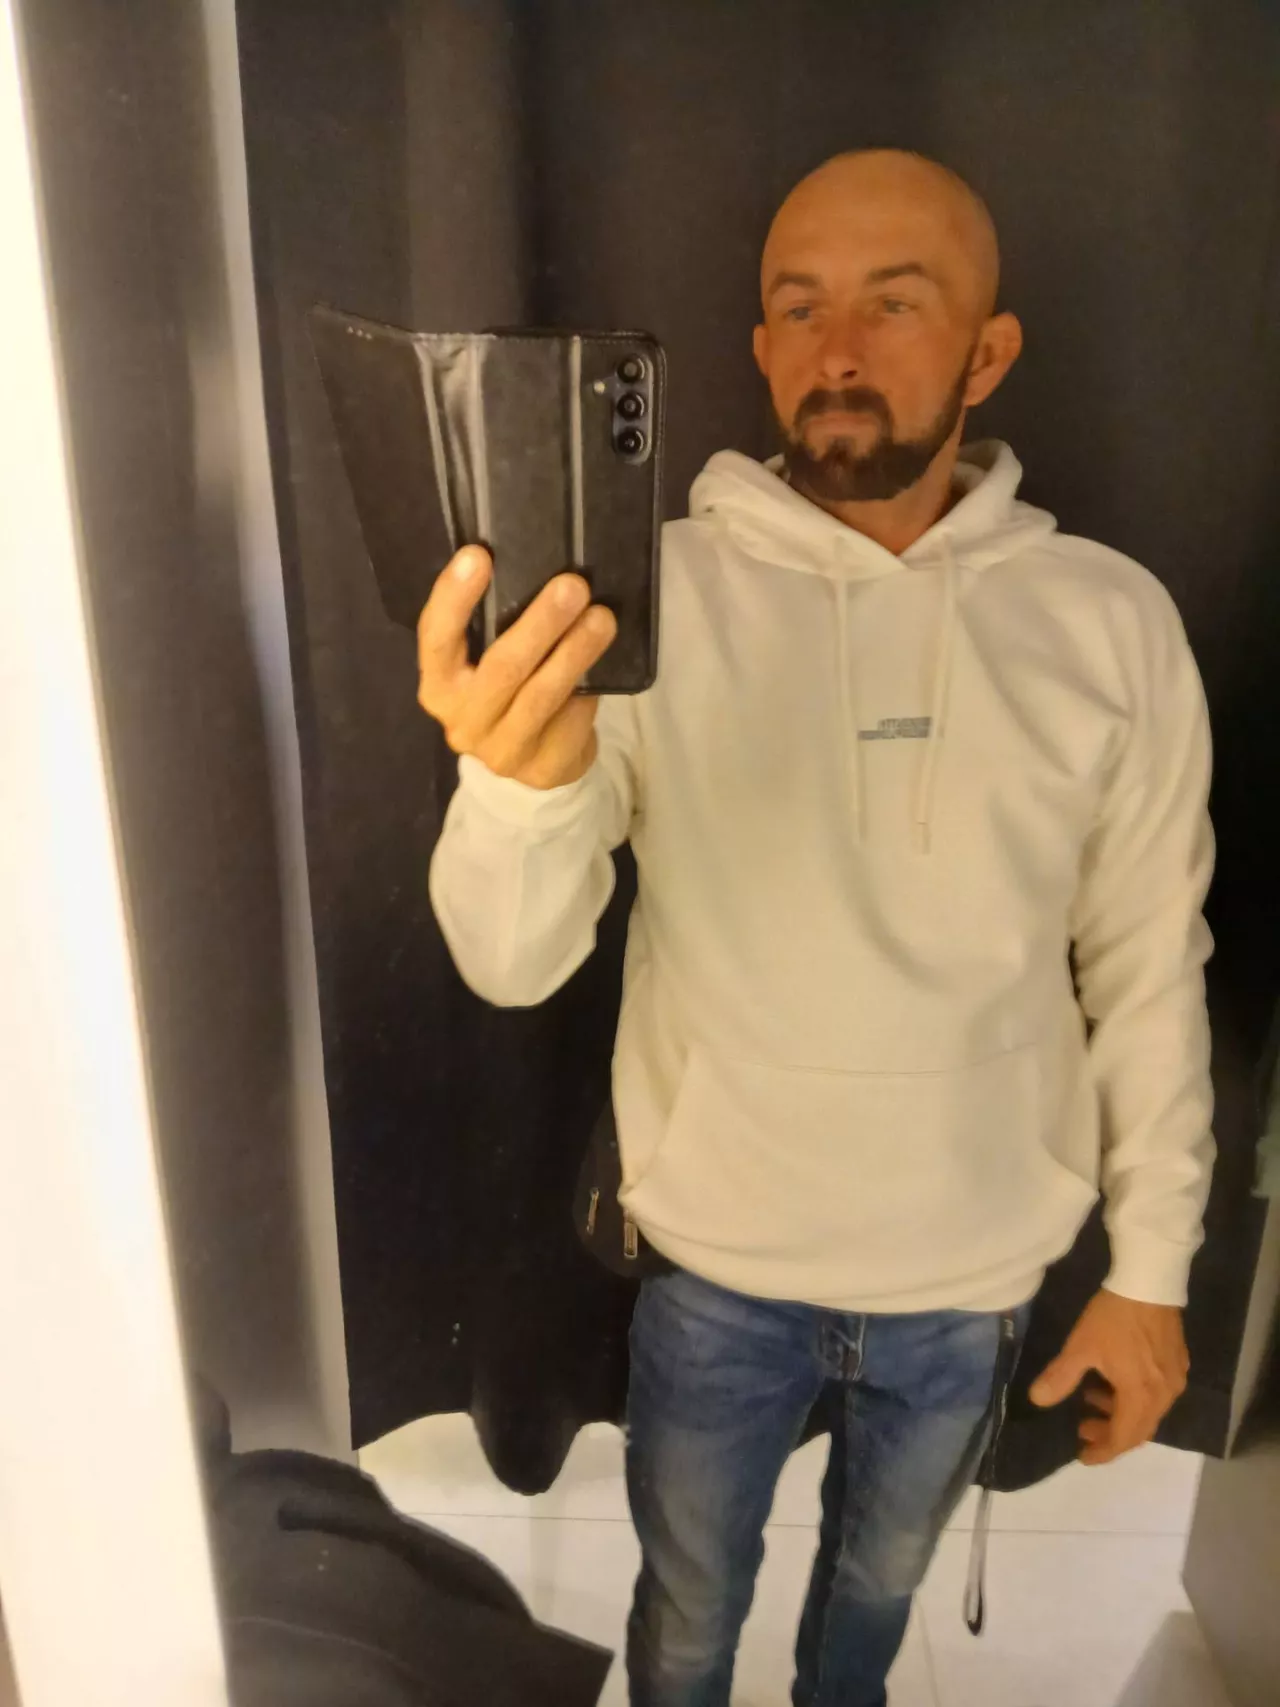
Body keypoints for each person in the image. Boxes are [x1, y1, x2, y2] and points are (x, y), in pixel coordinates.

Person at [417, 150, 1215, 1707]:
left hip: (973, 1272)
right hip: (720, 1261)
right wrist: (515, 784)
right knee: (686, 1613)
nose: (838, 347)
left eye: (894, 304)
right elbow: (511, 960)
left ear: (987, 349)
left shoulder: (1113, 623)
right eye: (800, 307)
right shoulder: (636, 601)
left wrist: (1155, 1268)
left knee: (875, 1599)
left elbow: (1147, 963)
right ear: (762, 347)